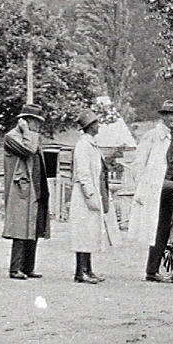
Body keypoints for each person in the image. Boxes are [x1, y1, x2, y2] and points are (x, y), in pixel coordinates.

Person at [128, 99, 173, 282]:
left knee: (162, 229)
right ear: (163, 117)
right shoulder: (152, 136)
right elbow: (138, 162)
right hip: (155, 185)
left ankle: (151, 272)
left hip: (169, 185)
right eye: (171, 115)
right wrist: (141, 187)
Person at [3, 103, 50, 280]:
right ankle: (15, 268)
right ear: (25, 121)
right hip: (21, 188)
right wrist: (26, 131)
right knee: (20, 228)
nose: (38, 125)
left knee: (34, 227)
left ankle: (29, 267)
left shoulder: (32, 136)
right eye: (35, 121)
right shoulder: (12, 137)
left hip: (36, 186)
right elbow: (29, 150)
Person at [68, 110, 115, 284]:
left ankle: (88, 269)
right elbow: (83, 173)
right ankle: (80, 273)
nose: (98, 126)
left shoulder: (92, 145)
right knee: (83, 233)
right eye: (96, 123)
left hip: (92, 193)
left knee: (89, 232)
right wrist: (90, 194)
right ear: (89, 126)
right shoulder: (83, 145)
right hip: (84, 195)